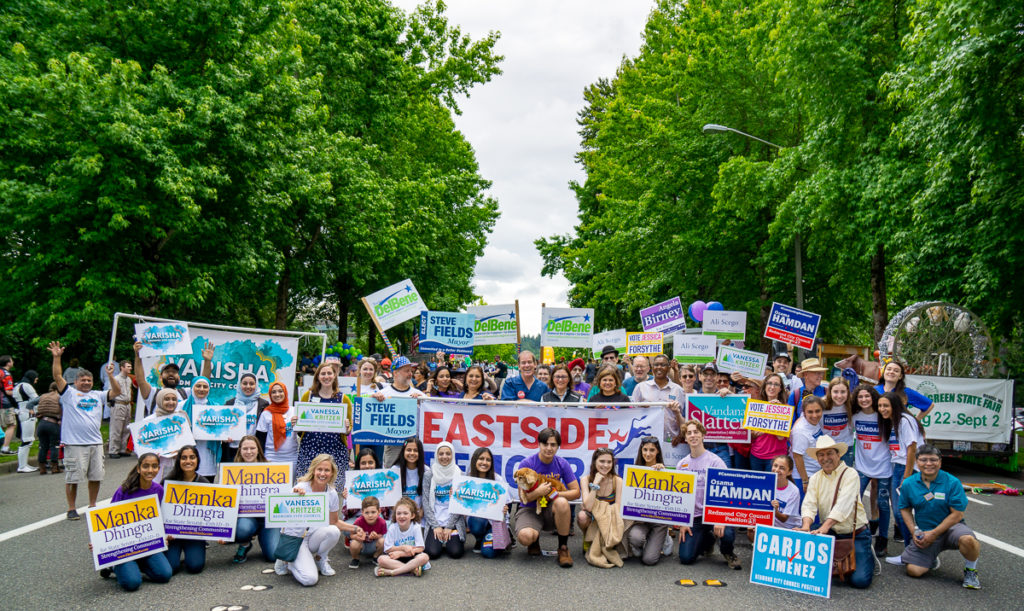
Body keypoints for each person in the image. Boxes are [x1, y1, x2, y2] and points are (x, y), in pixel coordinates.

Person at [891, 444, 981, 589]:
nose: (928, 464)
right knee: (913, 571)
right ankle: (930, 559)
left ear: (940, 462)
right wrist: (914, 531)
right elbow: (905, 509)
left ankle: (971, 571)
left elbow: (957, 514)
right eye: (923, 460)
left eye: (933, 460)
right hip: (926, 531)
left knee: (968, 540)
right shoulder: (909, 483)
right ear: (917, 462)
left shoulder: (952, 482)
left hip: (952, 528)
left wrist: (934, 533)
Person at [49, 341, 121, 520]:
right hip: (75, 444)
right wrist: (57, 357)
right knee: (73, 478)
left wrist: (111, 376)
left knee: (96, 476)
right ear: (76, 382)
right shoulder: (69, 394)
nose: (87, 382)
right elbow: (58, 376)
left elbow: (117, 391)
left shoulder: (98, 395)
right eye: (83, 380)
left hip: (95, 443)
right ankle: (72, 508)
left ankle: (92, 505)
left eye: (89, 380)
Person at [798, 436, 873, 589]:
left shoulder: (850, 474)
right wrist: (806, 525)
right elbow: (809, 504)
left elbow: (843, 505)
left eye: (829, 453)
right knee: (814, 574)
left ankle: (867, 555)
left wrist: (824, 527)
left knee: (860, 581)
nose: (825, 458)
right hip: (831, 532)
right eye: (821, 455)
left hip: (855, 533)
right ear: (817, 458)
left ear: (838, 454)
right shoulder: (816, 478)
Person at [277, 454, 362, 585]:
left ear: (332, 472)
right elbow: (282, 514)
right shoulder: (301, 487)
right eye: (319, 469)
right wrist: (294, 497)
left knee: (333, 531)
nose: (323, 473)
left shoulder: (332, 493)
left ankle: (320, 559)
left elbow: (334, 522)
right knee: (310, 580)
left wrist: (356, 528)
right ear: (313, 471)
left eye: (327, 470)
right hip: (296, 538)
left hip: (313, 537)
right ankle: (289, 561)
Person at [97, 453, 172, 589]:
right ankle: (114, 566)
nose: (150, 470)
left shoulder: (159, 490)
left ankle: (138, 564)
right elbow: (109, 519)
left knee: (165, 574)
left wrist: (164, 536)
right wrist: (99, 542)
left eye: (154, 466)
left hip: (147, 544)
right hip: (124, 546)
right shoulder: (124, 491)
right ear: (138, 468)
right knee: (132, 583)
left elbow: (160, 518)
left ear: (158, 469)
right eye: (146, 466)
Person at [675, 419, 741, 569]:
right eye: (689, 433)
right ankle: (707, 539)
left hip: (714, 514)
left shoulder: (716, 462)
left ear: (703, 435)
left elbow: (727, 493)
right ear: (685, 438)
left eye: (696, 432)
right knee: (686, 558)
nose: (693, 436)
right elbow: (680, 497)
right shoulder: (682, 465)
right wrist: (684, 522)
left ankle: (728, 552)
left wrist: (720, 518)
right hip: (695, 516)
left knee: (727, 534)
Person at [515, 427, 581, 568]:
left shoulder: (562, 463)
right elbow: (523, 498)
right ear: (538, 444)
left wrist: (552, 494)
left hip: (550, 510)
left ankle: (563, 549)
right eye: (545, 444)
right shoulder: (527, 464)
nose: (549, 448)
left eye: (553, 445)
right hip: (530, 509)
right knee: (525, 537)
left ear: (558, 446)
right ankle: (534, 541)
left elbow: (576, 492)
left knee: (562, 502)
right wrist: (539, 492)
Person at [880, 391, 925, 556]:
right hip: (897, 466)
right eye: (880, 406)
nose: (882, 409)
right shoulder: (894, 421)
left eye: (886, 405)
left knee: (901, 512)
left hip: (905, 468)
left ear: (895, 405)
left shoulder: (905, 421)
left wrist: (906, 476)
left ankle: (913, 551)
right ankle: (912, 550)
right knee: (901, 512)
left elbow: (911, 447)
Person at [295, 363, 351, 493]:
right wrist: (296, 423)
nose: (326, 376)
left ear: (335, 375)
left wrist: (347, 427)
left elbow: (348, 431)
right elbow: (300, 427)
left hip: (335, 451)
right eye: (323, 373)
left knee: (334, 491)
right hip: (309, 449)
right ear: (318, 377)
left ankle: (333, 513)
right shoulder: (308, 396)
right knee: (306, 488)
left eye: (329, 373)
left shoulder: (343, 399)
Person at [852, 384, 892, 556]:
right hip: (862, 466)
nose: (864, 400)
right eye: (860, 397)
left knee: (883, 503)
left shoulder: (882, 415)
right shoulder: (854, 416)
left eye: (867, 396)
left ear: (873, 397)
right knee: (854, 501)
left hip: (884, 466)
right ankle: (854, 534)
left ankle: (883, 539)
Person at [230, 436, 279, 564]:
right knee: (242, 530)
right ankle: (245, 544)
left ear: (259, 450)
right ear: (239, 450)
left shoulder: (272, 468)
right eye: (245, 448)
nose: (249, 452)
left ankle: (267, 537)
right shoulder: (231, 471)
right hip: (247, 517)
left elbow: (281, 493)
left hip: (268, 519)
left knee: (273, 556)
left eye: (252, 448)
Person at [132, 340, 213, 416]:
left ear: (179, 377)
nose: (171, 374)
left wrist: (207, 361)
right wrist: (138, 357)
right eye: (167, 372)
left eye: (174, 372)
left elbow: (203, 381)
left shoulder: (186, 393)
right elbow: (141, 380)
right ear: (160, 377)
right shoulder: (153, 393)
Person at [162, 446, 209, 575]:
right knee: (171, 568)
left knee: (195, 566)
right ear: (178, 461)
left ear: (197, 460)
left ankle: (189, 555)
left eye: (192, 457)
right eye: (184, 458)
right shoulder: (167, 482)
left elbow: (212, 514)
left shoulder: (204, 483)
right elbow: (158, 510)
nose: (188, 461)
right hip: (173, 535)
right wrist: (164, 532)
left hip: (194, 534)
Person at [371, 356, 425, 466]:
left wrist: (423, 402)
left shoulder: (419, 394)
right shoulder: (384, 393)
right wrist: (373, 399)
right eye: (406, 371)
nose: (410, 374)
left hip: (414, 444)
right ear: (395, 373)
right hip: (392, 445)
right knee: (392, 476)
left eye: (411, 371)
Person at [624, 437, 670, 564]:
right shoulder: (634, 471)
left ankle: (664, 539)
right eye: (645, 450)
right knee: (635, 538)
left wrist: (664, 472)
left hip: (658, 522)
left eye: (652, 450)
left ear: (658, 452)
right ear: (641, 450)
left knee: (649, 560)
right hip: (641, 520)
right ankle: (649, 541)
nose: (648, 454)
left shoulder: (665, 470)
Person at [576, 448, 625, 568]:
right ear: (594, 463)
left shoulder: (617, 480)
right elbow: (587, 507)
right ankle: (587, 537)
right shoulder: (585, 480)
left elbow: (618, 507)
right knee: (582, 516)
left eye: (609, 462)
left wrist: (604, 516)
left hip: (610, 517)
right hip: (592, 515)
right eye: (602, 461)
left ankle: (604, 542)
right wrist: (595, 485)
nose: (605, 465)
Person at [422, 441, 466, 559]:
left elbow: (459, 505)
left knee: (456, 552)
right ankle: (438, 538)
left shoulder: (459, 475)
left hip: (453, 520)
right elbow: (426, 503)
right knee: (432, 553)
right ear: (437, 455)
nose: (444, 457)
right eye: (441, 454)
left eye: (448, 453)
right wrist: (435, 526)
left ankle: (449, 539)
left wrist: (448, 527)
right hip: (435, 519)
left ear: (453, 456)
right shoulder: (429, 475)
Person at [465, 447, 511, 558]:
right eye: (481, 459)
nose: (484, 462)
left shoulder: (497, 480)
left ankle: (498, 538)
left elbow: (507, 504)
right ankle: (480, 539)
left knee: (488, 553)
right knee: (477, 518)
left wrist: (504, 510)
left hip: (494, 523)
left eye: (488, 460)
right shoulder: (467, 480)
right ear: (475, 460)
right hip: (477, 522)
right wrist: (455, 495)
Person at [631, 354, 685, 445]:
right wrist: (640, 408)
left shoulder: (678, 390)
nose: (659, 367)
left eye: (663, 365)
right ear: (652, 368)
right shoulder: (640, 388)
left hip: (671, 441)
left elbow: (682, 415)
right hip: (645, 441)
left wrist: (680, 435)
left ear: (668, 368)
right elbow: (631, 413)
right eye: (656, 365)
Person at [178, 377, 222, 480]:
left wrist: (225, 435)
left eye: (205, 387)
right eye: (198, 386)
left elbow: (221, 430)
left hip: (207, 455)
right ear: (192, 387)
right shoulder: (181, 406)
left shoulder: (216, 407)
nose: (201, 389)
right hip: (187, 456)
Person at [376, 497, 430, 577]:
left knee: (424, 557)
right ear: (395, 515)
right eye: (399, 513)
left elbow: (420, 548)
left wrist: (401, 553)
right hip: (396, 558)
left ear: (412, 515)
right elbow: (387, 548)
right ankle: (412, 570)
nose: (401, 516)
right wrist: (402, 547)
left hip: (412, 557)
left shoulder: (416, 527)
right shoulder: (392, 527)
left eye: (405, 513)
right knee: (381, 559)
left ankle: (393, 572)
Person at [749, 373, 789, 472]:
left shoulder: (785, 408)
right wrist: (755, 433)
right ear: (765, 386)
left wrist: (777, 411)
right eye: (769, 383)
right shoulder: (756, 406)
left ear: (780, 389)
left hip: (776, 458)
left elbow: (781, 437)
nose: (772, 387)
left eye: (776, 384)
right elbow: (750, 434)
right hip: (756, 456)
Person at [254, 382, 299, 464]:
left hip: (292, 457)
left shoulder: (294, 411)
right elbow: (260, 439)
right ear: (270, 395)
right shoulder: (266, 413)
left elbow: (301, 433)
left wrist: (298, 425)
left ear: (285, 392)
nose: (277, 394)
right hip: (271, 457)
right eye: (273, 392)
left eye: (280, 391)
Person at [224, 373, 269, 456]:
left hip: (253, 451)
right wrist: (223, 437)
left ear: (256, 385)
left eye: (251, 384)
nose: (248, 386)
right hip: (233, 449)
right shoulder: (230, 404)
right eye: (245, 383)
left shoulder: (263, 405)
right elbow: (223, 427)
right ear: (239, 385)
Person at [791, 395, 826, 495]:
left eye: (817, 411)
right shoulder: (801, 431)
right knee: (807, 509)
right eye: (810, 412)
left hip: (815, 473)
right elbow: (797, 456)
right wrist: (805, 481)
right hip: (804, 476)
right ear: (804, 412)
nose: (814, 415)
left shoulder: (807, 419)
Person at [823, 377, 856, 466]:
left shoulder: (852, 404)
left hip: (845, 449)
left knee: (845, 478)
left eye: (843, 392)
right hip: (826, 448)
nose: (839, 396)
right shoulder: (822, 404)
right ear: (830, 392)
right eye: (836, 392)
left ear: (848, 392)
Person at [392, 437, 429, 514]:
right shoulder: (395, 470)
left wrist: (420, 513)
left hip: (419, 518)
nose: (412, 453)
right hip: (399, 517)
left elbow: (428, 498)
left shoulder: (427, 471)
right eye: (409, 450)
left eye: (415, 450)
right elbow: (390, 498)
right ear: (403, 451)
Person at [348, 496, 387, 569]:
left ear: (379, 511)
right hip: (362, 545)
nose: (370, 515)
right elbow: (351, 535)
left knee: (383, 541)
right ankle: (355, 558)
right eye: (367, 512)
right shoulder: (358, 521)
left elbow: (382, 534)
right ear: (362, 512)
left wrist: (376, 536)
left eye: (373, 512)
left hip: (373, 545)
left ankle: (376, 556)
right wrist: (357, 537)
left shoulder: (382, 522)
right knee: (354, 543)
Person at [13, 369, 40, 472]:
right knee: (27, 440)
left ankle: (23, 465)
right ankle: (22, 466)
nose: (36, 381)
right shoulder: (27, 386)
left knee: (26, 439)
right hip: (29, 412)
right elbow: (36, 399)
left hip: (21, 412)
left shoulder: (17, 386)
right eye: (36, 379)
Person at [34, 382, 62, 474]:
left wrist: (34, 413)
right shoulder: (59, 397)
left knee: (43, 446)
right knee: (54, 445)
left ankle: (42, 468)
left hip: (41, 424)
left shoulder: (42, 396)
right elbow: (63, 407)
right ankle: (54, 467)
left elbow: (30, 403)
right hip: (53, 423)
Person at [108, 360, 134, 458]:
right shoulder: (116, 379)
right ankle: (113, 450)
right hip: (119, 404)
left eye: (130, 366)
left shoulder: (129, 380)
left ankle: (123, 449)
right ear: (122, 367)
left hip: (127, 404)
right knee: (116, 428)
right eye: (128, 366)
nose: (130, 368)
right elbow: (110, 391)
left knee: (126, 428)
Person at [788, 357, 828, 421]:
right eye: (817, 373)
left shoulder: (827, 392)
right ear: (806, 374)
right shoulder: (795, 395)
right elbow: (790, 422)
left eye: (821, 372)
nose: (821, 376)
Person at [0, 354, 18, 455]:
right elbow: (8, 391)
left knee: (1, 426)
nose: (13, 362)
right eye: (11, 360)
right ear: (8, 363)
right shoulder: (6, 374)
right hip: (5, 403)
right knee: (11, 425)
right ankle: (5, 448)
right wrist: (16, 392)